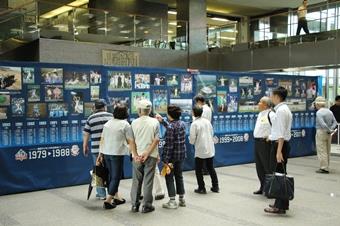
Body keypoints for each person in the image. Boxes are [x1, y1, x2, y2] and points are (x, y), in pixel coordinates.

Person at [97, 104, 136, 209]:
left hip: (106, 153)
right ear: (125, 113)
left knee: (111, 176)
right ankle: (108, 200)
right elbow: (131, 140)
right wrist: (134, 153)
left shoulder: (108, 123)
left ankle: (116, 197)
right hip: (117, 153)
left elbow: (102, 139)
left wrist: (100, 154)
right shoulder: (125, 124)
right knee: (116, 177)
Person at [265, 87, 292, 215]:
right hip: (281, 144)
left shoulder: (281, 110)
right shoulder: (284, 109)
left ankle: (279, 206)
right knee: (280, 174)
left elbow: (281, 132)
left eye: (272, 95)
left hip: (280, 145)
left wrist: (278, 151)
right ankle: (281, 203)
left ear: (277, 96)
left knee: (279, 175)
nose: (271, 97)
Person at [130, 99, 160, 213]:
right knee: (148, 180)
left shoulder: (134, 122)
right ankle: (147, 205)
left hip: (137, 156)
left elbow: (131, 141)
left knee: (136, 180)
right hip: (151, 155)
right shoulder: (155, 122)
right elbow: (157, 139)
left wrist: (136, 155)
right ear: (150, 110)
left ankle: (134, 205)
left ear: (139, 110)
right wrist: (147, 153)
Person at [156, 105, 187, 209]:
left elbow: (169, 146)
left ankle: (172, 201)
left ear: (169, 115)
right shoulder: (182, 124)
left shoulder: (170, 127)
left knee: (169, 177)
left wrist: (165, 160)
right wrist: (163, 121)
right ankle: (182, 199)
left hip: (171, 157)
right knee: (179, 176)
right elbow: (174, 127)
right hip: (181, 155)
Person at [83, 99, 112, 200]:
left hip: (96, 148)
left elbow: (86, 133)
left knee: (98, 170)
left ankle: (101, 193)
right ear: (104, 107)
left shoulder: (91, 118)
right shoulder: (111, 116)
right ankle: (111, 192)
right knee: (110, 170)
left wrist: (84, 146)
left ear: (95, 108)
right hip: (109, 148)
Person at [189, 105, 219, 194]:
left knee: (198, 169)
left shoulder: (194, 124)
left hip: (200, 149)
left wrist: (191, 142)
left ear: (194, 113)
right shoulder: (207, 122)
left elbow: (192, 138)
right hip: (210, 148)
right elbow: (212, 133)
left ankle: (201, 188)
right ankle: (215, 186)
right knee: (211, 168)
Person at [253, 96, 275, 195]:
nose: (258, 103)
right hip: (258, 142)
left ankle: (270, 189)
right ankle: (263, 186)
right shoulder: (261, 114)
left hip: (265, 143)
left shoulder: (271, 114)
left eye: (260, 102)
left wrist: (270, 136)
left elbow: (278, 128)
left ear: (265, 105)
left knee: (267, 167)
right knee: (259, 167)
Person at [314, 96, 338, 174]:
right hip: (329, 133)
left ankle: (324, 168)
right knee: (327, 150)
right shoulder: (329, 111)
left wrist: (328, 129)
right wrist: (331, 130)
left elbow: (322, 124)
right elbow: (335, 122)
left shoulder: (319, 112)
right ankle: (327, 166)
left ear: (318, 104)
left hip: (321, 132)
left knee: (321, 150)